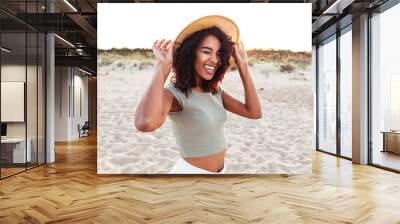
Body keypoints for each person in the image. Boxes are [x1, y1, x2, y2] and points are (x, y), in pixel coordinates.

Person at [135, 15, 262, 174]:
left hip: (221, 172)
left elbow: (254, 113)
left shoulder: (214, 91)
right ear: (190, 53)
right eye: (206, 51)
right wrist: (162, 67)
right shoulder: (174, 94)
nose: (214, 60)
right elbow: (146, 123)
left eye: (218, 54)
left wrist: (243, 66)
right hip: (190, 174)